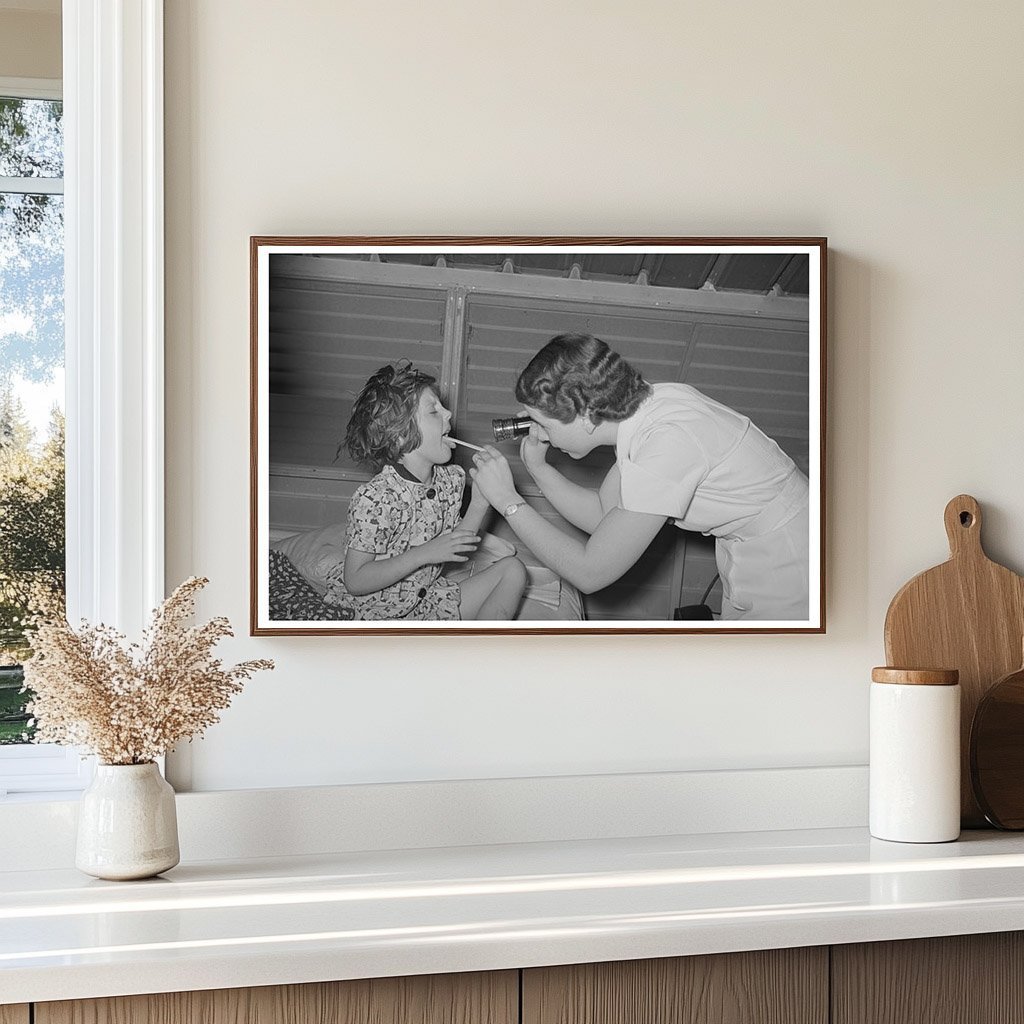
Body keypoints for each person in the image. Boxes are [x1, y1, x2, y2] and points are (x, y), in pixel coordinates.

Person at [468, 334, 810, 621]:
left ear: (586, 415)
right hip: (754, 549)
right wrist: (540, 470)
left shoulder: (667, 443)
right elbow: (605, 516)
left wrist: (508, 502)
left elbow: (592, 572)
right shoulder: (645, 410)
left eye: (543, 423)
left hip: (787, 562)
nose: (540, 434)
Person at [326, 363, 527, 621]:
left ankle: (480, 651)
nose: (449, 413)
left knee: (514, 570)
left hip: (426, 601)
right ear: (400, 435)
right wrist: (425, 553)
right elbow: (355, 579)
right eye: (434, 410)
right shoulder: (376, 498)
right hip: (377, 613)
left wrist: (480, 501)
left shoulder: (449, 480)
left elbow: (454, 544)